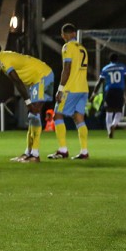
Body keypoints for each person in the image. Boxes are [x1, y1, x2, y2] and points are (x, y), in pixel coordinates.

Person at [0, 44, 54, 163]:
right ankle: (28, 152)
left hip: (42, 76)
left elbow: (17, 81)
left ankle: (35, 155)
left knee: (34, 114)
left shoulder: (3, 59)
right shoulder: (3, 58)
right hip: (36, 80)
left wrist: (27, 101)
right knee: (32, 116)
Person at [49, 23, 90, 160]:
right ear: (74, 33)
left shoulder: (67, 47)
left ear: (64, 35)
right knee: (79, 118)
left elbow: (66, 68)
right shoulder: (82, 48)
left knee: (57, 115)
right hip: (83, 88)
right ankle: (84, 151)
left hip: (71, 88)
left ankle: (62, 150)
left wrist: (60, 89)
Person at [94, 53, 126, 138]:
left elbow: (100, 82)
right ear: (118, 59)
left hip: (109, 91)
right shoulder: (123, 67)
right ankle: (114, 125)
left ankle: (109, 130)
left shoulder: (106, 68)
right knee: (119, 111)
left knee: (109, 112)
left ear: (110, 60)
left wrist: (94, 93)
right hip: (119, 91)